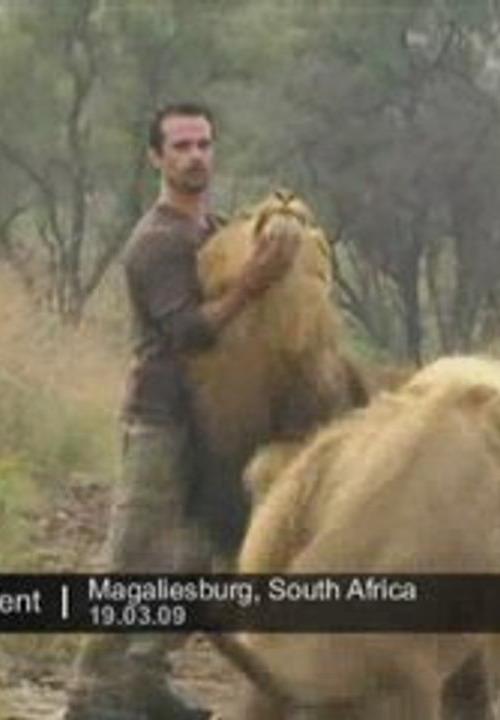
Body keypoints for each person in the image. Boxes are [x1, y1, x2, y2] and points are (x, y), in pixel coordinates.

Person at [62, 103, 296, 720]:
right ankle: (91, 694)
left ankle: (143, 678)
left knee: (199, 560)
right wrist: (254, 282)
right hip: (161, 421)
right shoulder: (157, 241)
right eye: (181, 146)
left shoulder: (212, 230)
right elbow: (187, 333)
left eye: (203, 144)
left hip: (211, 426)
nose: (195, 156)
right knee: (134, 559)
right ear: (156, 158)